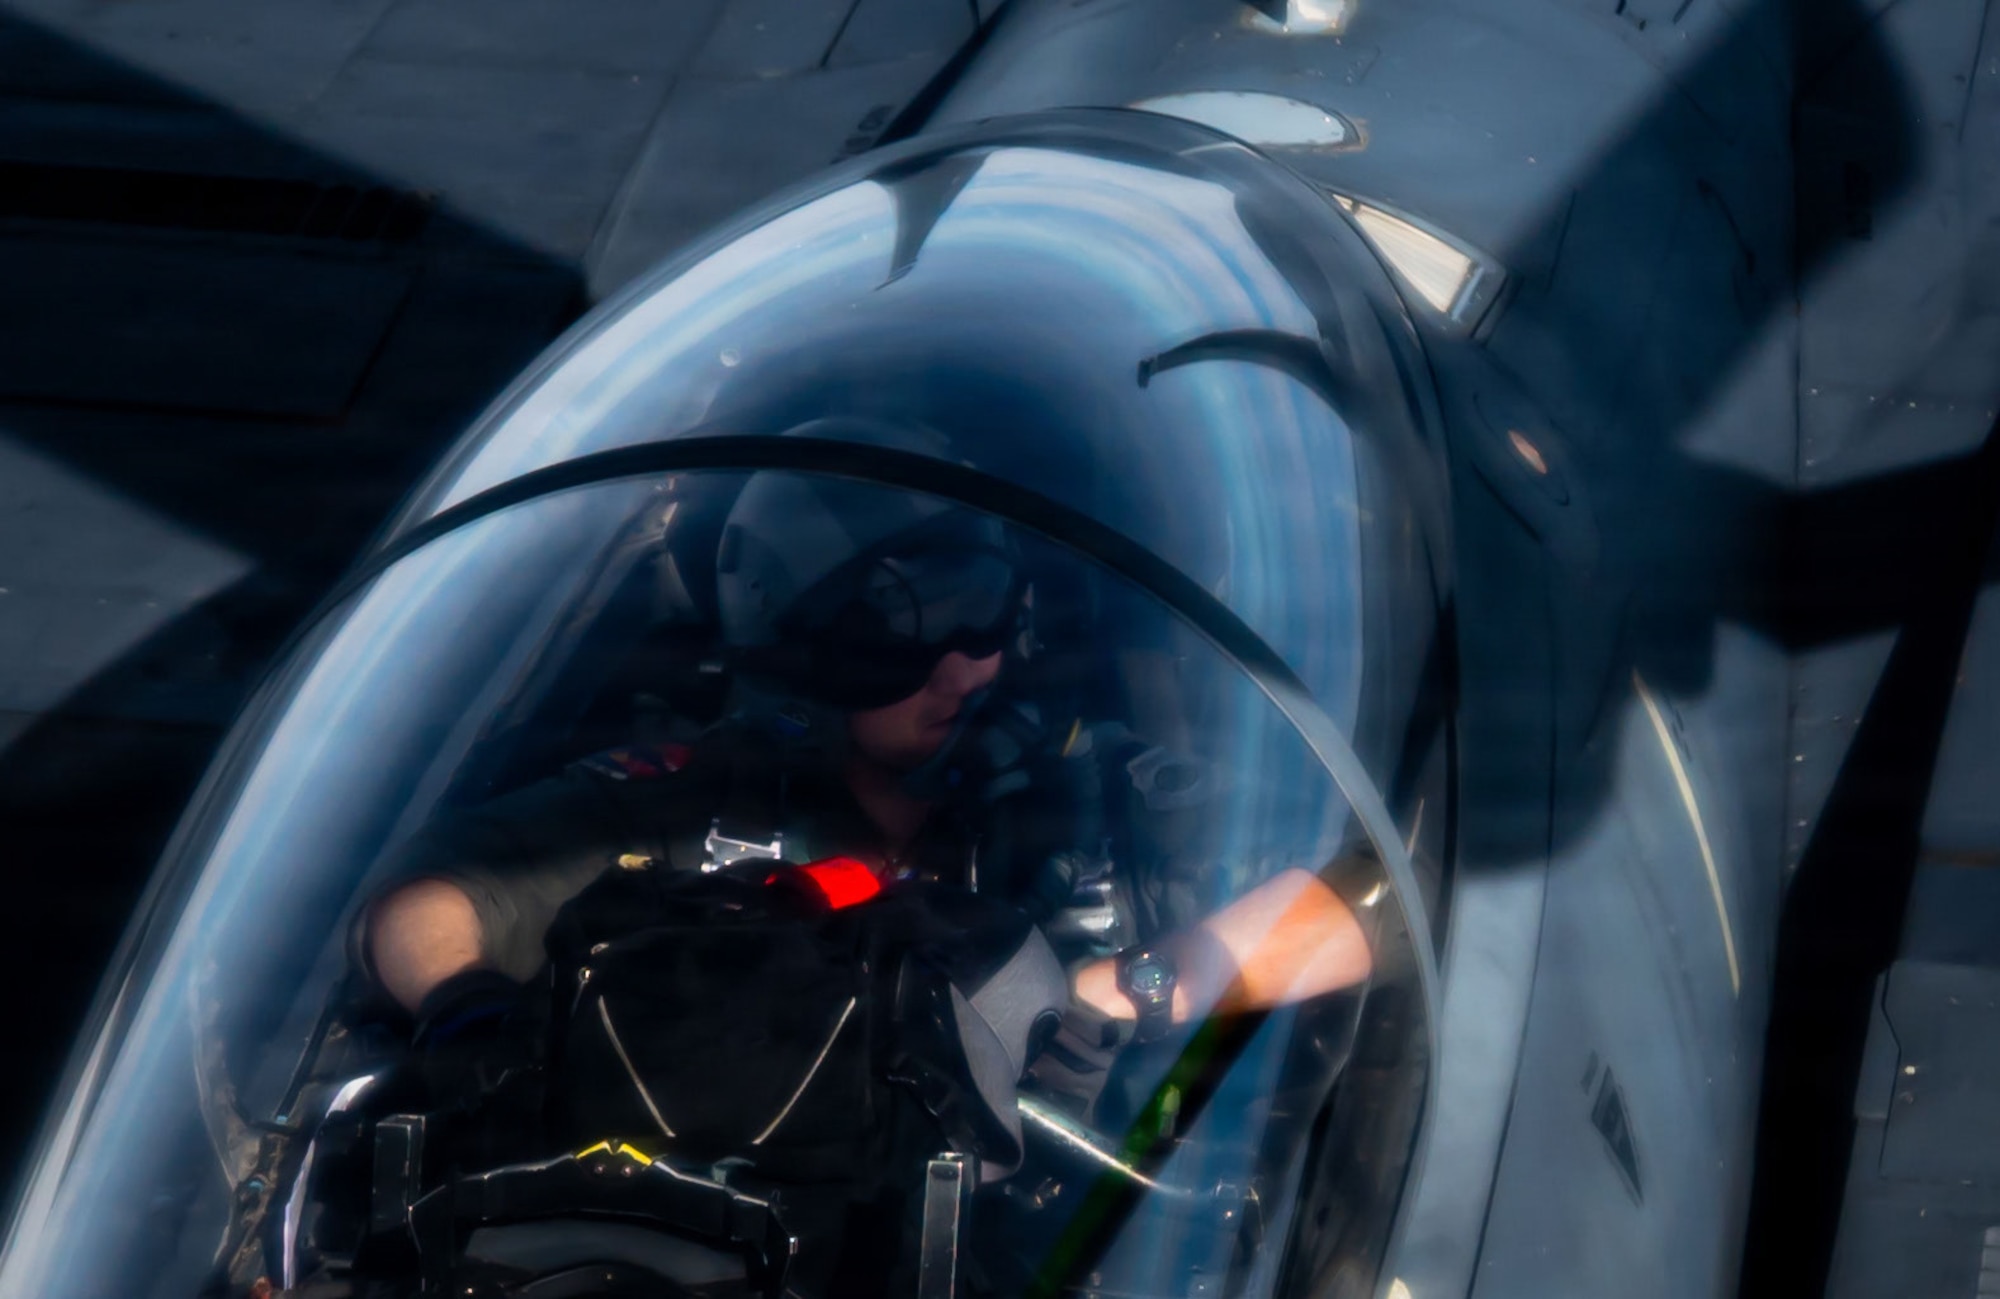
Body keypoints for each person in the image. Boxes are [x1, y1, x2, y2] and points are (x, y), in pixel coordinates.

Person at [361, 458, 1380, 1128]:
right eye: (901, 641)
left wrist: (1116, 991)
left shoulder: (1087, 789)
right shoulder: (700, 803)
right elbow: (433, 896)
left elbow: (1376, 890)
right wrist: (470, 1018)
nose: (961, 674)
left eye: (982, 623)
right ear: (811, 658)